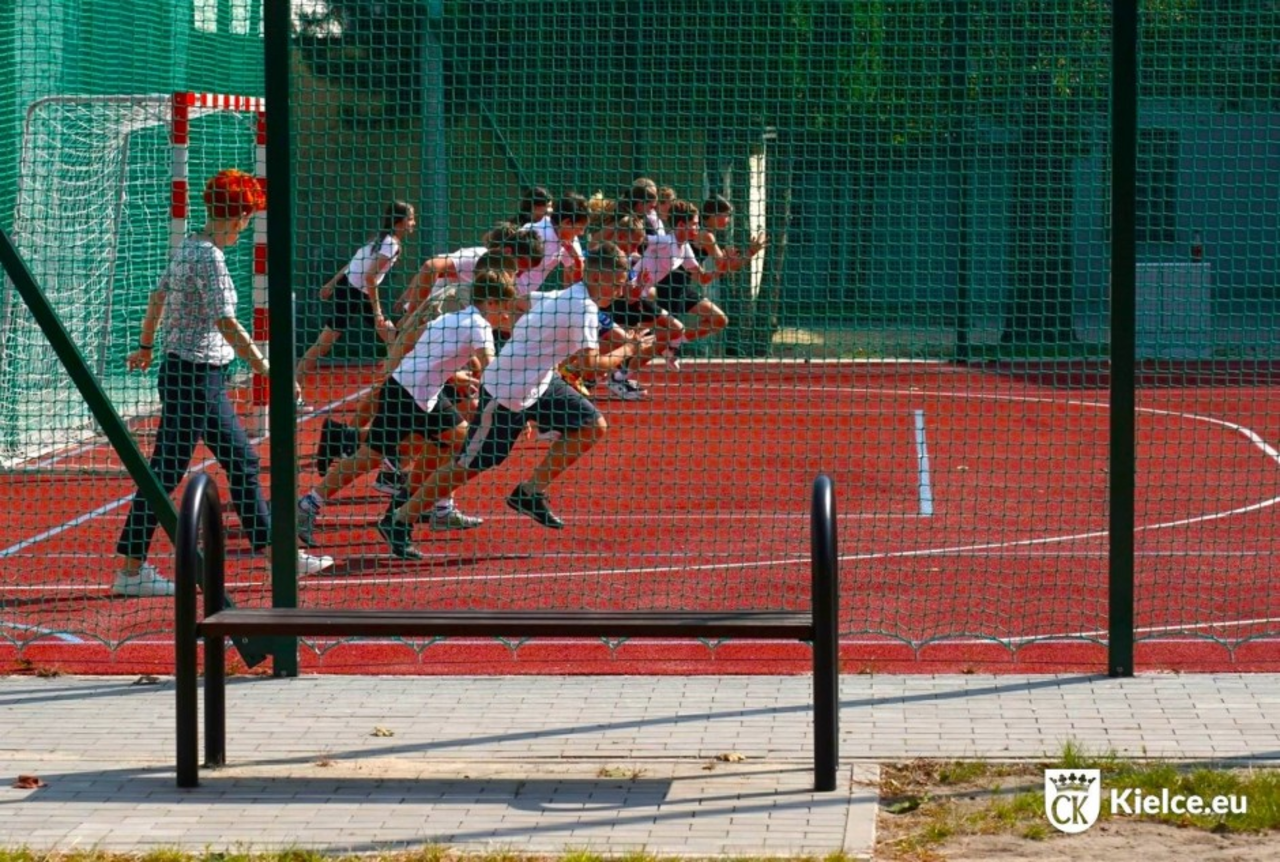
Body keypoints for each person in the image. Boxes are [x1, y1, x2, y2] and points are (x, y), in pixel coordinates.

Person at [112, 169, 333, 598]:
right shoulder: (210, 258)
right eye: (248, 218)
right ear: (238, 217)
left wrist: (145, 345)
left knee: (233, 462)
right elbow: (226, 322)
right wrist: (268, 370)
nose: (246, 227)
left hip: (189, 375)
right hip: (197, 378)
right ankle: (130, 570)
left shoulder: (187, 247)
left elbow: (157, 297)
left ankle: (277, 556)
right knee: (176, 471)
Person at [377, 241, 652, 556]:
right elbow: (590, 366)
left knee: (592, 425)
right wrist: (629, 349)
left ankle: (529, 492)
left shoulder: (564, 297)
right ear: (598, 277)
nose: (620, 290)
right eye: (617, 283)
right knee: (471, 464)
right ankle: (399, 519)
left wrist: (530, 339)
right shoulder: (583, 307)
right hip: (507, 392)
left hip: (542, 384)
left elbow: (523, 303)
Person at [297, 269, 519, 552]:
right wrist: (518, 404)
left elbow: (420, 344)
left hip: (415, 392)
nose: (506, 315)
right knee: (376, 456)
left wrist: (452, 375)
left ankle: (418, 511)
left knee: (444, 445)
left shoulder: (452, 317)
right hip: (410, 395)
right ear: (490, 302)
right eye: (504, 307)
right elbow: (492, 370)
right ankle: (319, 505)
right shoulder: (480, 327)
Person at [296, 201, 415, 388]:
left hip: (353, 290)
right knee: (324, 344)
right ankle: (294, 385)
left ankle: (398, 386)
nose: (414, 223)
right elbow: (370, 278)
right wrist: (377, 312)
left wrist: (331, 283)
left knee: (393, 337)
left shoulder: (380, 239)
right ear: (399, 222)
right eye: (411, 219)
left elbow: (354, 264)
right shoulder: (389, 244)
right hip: (352, 293)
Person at [641, 199, 765, 355]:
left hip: (682, 286)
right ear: (713, 215)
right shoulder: (705, 235)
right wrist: (750, 253)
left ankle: (673, 343)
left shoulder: (698, 238)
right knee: (657, 338)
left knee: (718, 320)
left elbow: (708, 275)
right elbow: (726, 266)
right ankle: (631, 360)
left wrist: (729, 262)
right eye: (726, 215)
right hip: (670, 287)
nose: (728, 220)